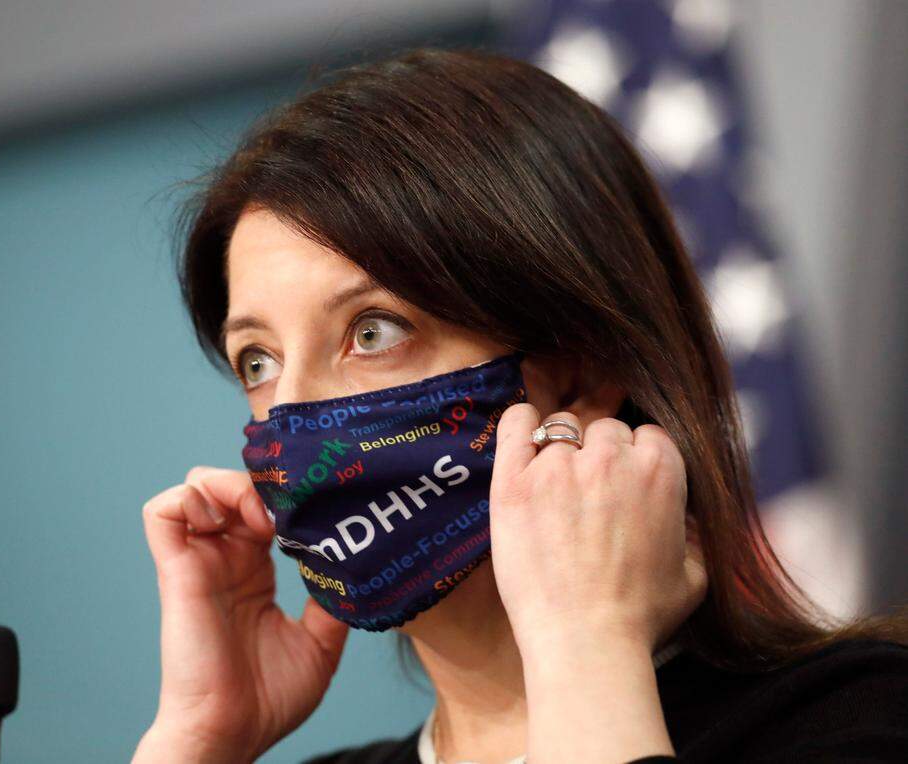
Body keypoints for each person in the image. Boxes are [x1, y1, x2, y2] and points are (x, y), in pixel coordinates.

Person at [131, 48, 908, 763]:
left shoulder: (863, 718)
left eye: (371, 331)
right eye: (257, 361)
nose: (292, 416)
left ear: (576, 374)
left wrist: (586, 645)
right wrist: (198, 736)